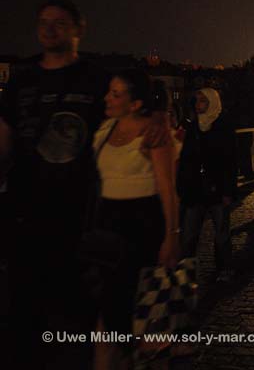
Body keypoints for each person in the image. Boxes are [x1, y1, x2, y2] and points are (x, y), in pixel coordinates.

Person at [0, 0, 110, 367]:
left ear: (79, 29)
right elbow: (5, 138)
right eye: (43, 22)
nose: (48, 29)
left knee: (75, 319)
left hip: (79, 213)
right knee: (24, 317)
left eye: (59, 23)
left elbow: (130, 115)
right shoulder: (22, 78)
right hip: (25, 212)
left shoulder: (96, 77)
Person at [92, 69, 179, 369]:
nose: (108, 98)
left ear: (136, 103)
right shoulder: (103, 131)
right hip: (107, 232)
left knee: (141, 319)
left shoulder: (153, 134)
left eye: (116, 94)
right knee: (109, 318)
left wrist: (172, 236)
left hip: (140, 229)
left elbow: (168, 188)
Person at [178, 88, 236, 282]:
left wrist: (228, 190)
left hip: (217, 188)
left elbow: (230, 160)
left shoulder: (223, 126)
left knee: (221, 232)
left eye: (203, 101)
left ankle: (225, 267)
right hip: (195, 189)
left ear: (212, 103)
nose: (198, 104)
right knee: (188, 235)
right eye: (197, 101)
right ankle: (186, 272)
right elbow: (186, 158)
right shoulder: (194, 127)